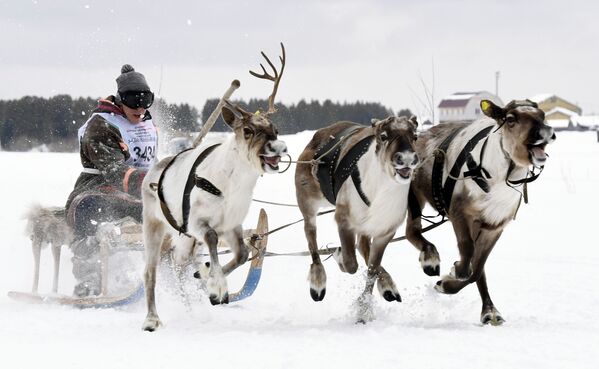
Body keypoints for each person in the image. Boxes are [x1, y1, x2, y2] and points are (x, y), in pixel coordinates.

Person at [65, 64, 158, 297]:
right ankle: (89, 278)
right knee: (94, 213)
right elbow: (116, 171)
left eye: (145, 101)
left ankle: (180, 272)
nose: (140, 108)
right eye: (133, 101)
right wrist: (151, 184)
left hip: (140, 193)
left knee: (172, 216)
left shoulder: (147, 124)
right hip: (96, 189)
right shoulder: (101, 125)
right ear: (120, 100)